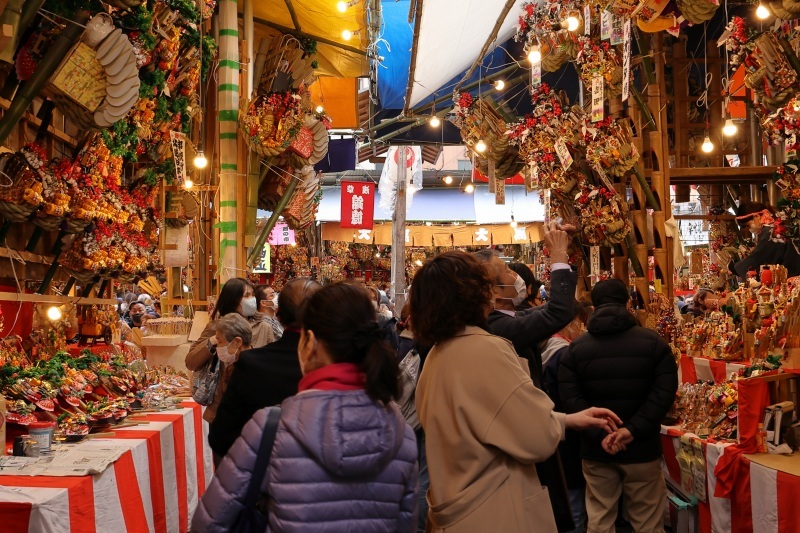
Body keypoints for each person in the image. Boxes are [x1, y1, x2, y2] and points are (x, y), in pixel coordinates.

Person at [410, 250, 621, 532]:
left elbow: (489, 420)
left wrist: (567, 420)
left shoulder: (439, 353)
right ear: (474, 293)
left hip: (455, 508)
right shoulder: (486, 348)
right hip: (494, 509)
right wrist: (552, 423)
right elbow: (536, 437)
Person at [193, 282, 418, 532]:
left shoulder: (271, 428)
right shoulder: (401, 435)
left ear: (308, 342)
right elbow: (405, 523)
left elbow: (210, 521)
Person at [558, 278, 679, 533]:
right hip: (642, 448)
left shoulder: (575, 349)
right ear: (628, 304)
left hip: (596, 449)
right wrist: (631, 430)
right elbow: (664, 393)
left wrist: (601, 431)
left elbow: (570, 399)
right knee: (647, 522)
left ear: (593, 308)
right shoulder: (653, 343)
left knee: (600, 520)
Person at [208, 278, 321, 459]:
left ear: (279, 316)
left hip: (263, 473)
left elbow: (221, 437)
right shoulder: (341, 365)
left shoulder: (251, 364)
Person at [185, 278, 275, 423]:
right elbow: (191, 362)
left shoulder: (264, 327)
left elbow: (272, 366)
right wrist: (214, 340)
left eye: (252, 295)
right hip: (222, 409)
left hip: (255, 409)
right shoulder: (215, 327)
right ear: (233, 300)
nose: (251, 299)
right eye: (246, 295)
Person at [539, 300, 593, 533]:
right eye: (579, 323)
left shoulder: (543, 348)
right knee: (574, 509)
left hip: (555, 437)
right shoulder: (563, 354)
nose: (581, 328)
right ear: (569, 323)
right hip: (569, 439)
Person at [207, 313, 253, 465]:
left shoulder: (246, 370)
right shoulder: (232, 367)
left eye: (220, 342)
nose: (219, 347)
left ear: (237, 342)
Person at [731, 201, 800, 277]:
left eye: (748, 225)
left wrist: (734, 268)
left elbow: (759, 257)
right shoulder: (776, 227)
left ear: (756, 216)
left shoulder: (772, 232)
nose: (749, 229)